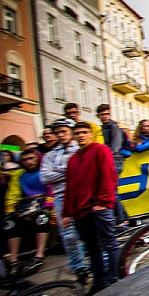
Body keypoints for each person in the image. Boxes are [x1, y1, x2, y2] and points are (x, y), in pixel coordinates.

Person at [63, 121, 119, 294]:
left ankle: (114, 277)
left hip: (99, 207)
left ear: (90, 134)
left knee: (109, 243)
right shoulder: (72, 160)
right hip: (81, 211)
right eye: (77, 133)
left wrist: (102, 202)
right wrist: (66, 212)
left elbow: (108, 175)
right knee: (92, 249)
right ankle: (99, 282)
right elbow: (70, 187)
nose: (81, 135)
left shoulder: (101, 150)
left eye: (84, 132)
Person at [40, 118, 89, 282]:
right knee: (68, 235)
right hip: (61, 196)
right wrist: (69, 171)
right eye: (57, 132)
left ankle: (101, 261)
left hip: (81, 194)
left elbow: (83, 171)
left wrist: (59, 171)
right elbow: (45, 177)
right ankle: (79, 267)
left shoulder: (81, 150)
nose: (60, 135)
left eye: (64, 131)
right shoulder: (50, 155)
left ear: (71, 132)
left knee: (89, 231)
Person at [3, 149, 53, 274]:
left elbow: (51, 192)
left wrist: (46, 205)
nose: (29, 162)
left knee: (42, 217)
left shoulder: (45, 171)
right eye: (25, 160)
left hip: (44, 206)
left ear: (37, 158)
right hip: (26, 207)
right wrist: (11, 211)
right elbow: (12, 195)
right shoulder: (19, 175)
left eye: (31, 158)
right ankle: (14, 261)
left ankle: (39, 255)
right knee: (9, 223)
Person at [97, 103, 129, 224]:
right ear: (98, 116)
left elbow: (116, 146)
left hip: (114, 160)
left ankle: (122, 218)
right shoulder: (102, 128)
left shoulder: (114, 127)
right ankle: (122, 217)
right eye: (102, 114)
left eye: (106, 114)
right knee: (111, 190)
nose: (104, 116)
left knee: (111, 190)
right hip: (109, 160)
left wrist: (104, 155)